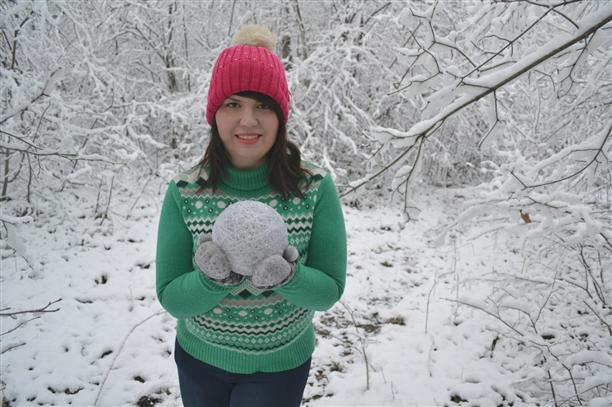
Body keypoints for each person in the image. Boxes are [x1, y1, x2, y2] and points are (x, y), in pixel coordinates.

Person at [155, 25, 347, 407]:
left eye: (263, 106)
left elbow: (329, 290)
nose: (248, 120)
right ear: (214, 113)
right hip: (199, 361)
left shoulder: (314, 189)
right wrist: (211, 281)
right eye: (233, 104)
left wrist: (290, 276)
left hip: (279, 368)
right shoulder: (185, 192)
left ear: (280, 116)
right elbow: (171, 297)